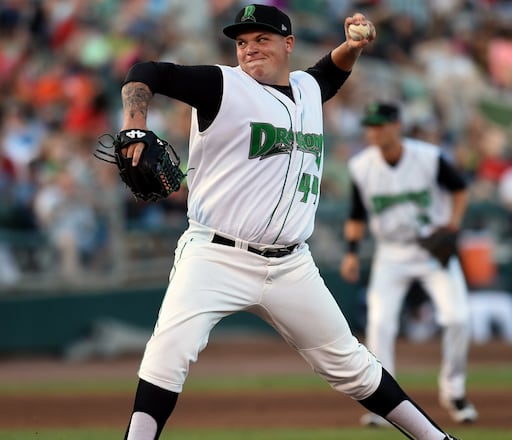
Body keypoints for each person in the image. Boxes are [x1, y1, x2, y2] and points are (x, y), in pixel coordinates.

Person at [118, 5, 460, 440]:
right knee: (167, 355)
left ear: (288, 44)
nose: (249, 50)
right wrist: (134, 125)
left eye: (261, 39)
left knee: (353, 366)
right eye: (242, 43)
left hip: (290, 266)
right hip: (215, 254)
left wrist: (352, 46)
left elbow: (330, 73)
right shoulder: (223, 85)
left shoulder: (308, 89)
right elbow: (146, 70)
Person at [339, 101, 478, 427]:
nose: (374, 131)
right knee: (380, 323)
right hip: (391, 253)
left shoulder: (428, 158)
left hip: (432, 249)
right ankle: (384, 403)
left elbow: (460, 189)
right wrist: (350, 252)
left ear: (396, 125)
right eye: (370, 125)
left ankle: (454, 391)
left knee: (457, 318)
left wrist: (453, 225)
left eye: (380, 124)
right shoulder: (361, 166)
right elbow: (357, 214)